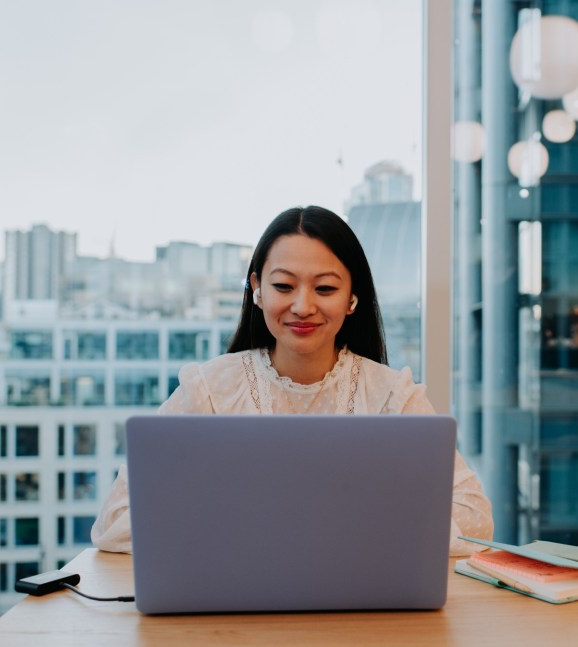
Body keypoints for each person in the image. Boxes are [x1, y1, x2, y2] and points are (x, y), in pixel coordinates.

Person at [91, 205, 494, 556]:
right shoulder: (210, 390)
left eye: (325, 288)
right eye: (283, 286)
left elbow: (474, 517)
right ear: (257, 289)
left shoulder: (393, 396)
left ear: (352, 297)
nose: (303, 306)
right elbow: (116, 520)